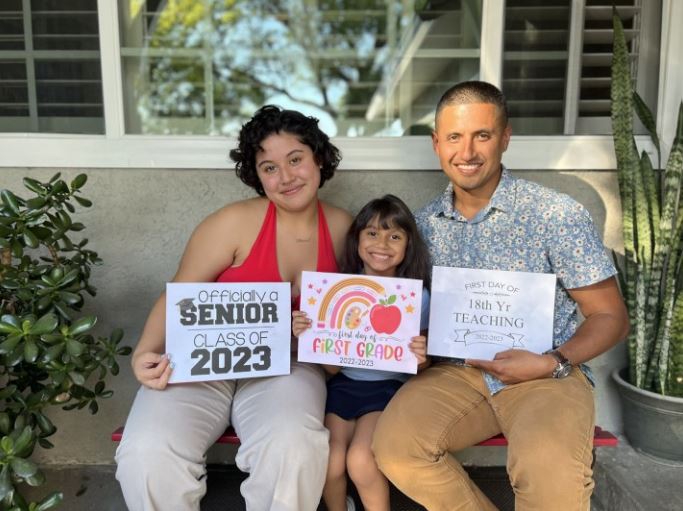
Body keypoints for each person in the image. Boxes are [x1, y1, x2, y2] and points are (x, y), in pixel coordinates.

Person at [372, 81, 630, 511]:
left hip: (547, 371)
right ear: (437, 144)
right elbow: (412, 312)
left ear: (505, 137)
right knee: (397, 448)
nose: (467, 151)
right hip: (457, 373)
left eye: (482, 135)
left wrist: (553, 360)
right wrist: (413, 347)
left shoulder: (555, 215)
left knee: (553, 486)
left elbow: (610, 317)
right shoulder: (421, 227)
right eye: (454, 137)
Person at [115, 105, 353, 511]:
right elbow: (178, 294)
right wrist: (144, 353)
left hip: (288, 364)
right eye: (269, 167)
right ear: (256, 176)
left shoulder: (347, 228)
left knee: (293, 446)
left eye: (295, 159)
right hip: (204, 357)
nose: (286, 177)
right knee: (146, 452)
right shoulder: (232, 223)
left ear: (318, 158)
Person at [292, 194, 431, 511]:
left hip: (388, 389)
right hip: (342, 385)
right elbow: (330, 369)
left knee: (359, 458)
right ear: (356, 240)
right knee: (330, 458)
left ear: (408, 245)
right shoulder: (335, 291)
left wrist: (422, 357)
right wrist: (307, 333)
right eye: (372, 233)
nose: (382, 243)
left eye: (394, 235)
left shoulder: (415, 297)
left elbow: (421, 367)